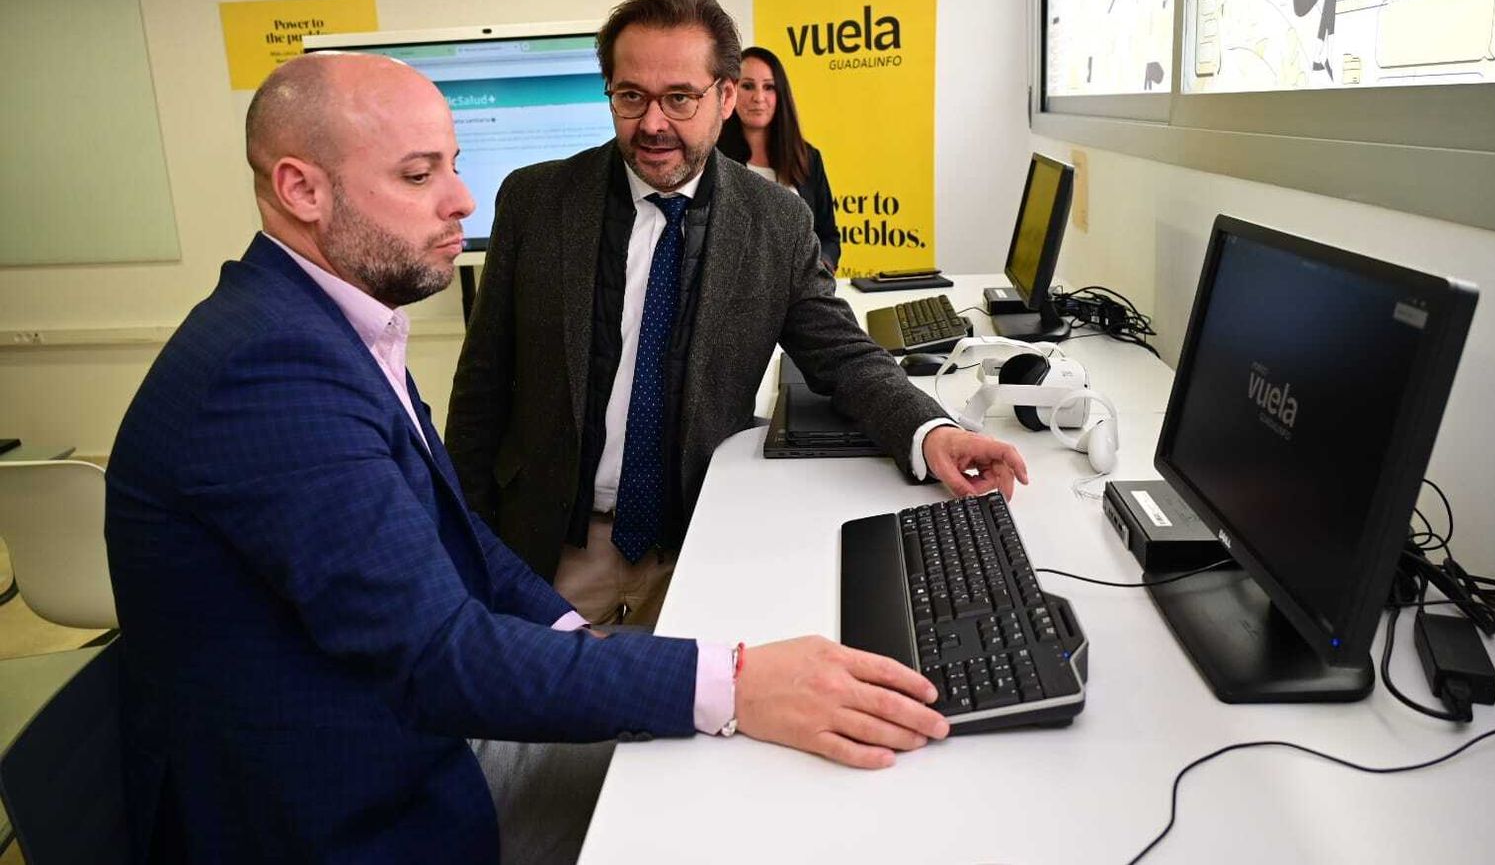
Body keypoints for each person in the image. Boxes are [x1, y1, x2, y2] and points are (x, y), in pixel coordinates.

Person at [104, 52, 951, 865]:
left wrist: (579, 639)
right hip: (360, 813)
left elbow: (453, 537)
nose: (461, 200)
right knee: (741, 798)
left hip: (413, 742)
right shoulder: (269, 373)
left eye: (454, 166)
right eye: (417, 174)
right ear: (301, 189)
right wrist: (736, 682)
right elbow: (442, 655)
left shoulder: (328, 325)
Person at [447, 0, 1026, 628]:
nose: (653, 123)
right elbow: (481, 386)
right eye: (630, 96)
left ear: (725, 97)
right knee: (536, 727)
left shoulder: (776, 219)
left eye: (679, 97)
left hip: (700, 543)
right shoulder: (538, 201)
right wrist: (469, 543)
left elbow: (838, 352)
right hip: (552, 552)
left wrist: (933, 431)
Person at [718, 45, 842, 271]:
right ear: (730, 93)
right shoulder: (713, 160)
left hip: (802, 294)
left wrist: (821, 267)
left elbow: (829, 237)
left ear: (780, 94)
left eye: (769, 87)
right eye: (747, 86)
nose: (758, 97)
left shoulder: (808, 157)